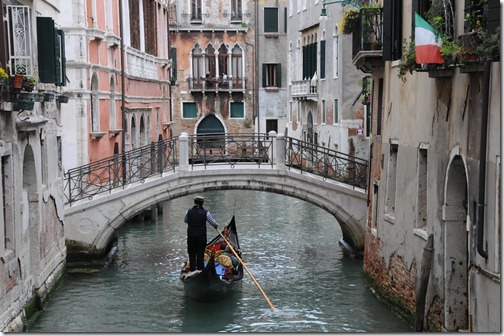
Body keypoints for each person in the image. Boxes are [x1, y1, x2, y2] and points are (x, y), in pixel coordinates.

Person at [184, 196, 218, 272]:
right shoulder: (206, 213)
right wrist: (215, 226)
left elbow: (186, 221)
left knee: (191, 253)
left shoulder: (188, 211)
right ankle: (200, 270)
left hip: (191, 236)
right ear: (202, 203)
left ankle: (192, 270)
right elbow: (214, 224)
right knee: (200, 253)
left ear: (194, 202)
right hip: (201, 237)